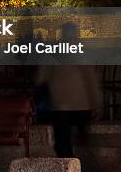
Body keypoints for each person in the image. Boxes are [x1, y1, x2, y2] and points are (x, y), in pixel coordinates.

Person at [35, 23, 101, 158]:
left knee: (62, 143)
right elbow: (91, 80)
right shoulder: (83, 51)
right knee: (84, 141)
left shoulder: (53, 51)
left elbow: (41, 78)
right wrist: (96, 104)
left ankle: (68, 166)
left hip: (60, 105)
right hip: (82, 105)